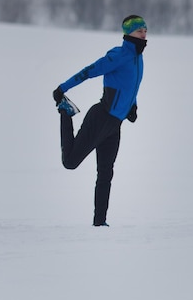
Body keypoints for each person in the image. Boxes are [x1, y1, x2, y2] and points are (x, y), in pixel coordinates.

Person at [52, 15, 147, 227]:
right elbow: (89, 71)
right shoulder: (118, 55)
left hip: (114, 125)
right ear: (128, 33)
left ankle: (100, 223)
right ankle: (66, 112)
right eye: (139, 30)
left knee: (105, 174)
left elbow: (131, 87)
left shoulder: (138, 59)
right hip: (101, 117)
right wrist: (62, 89)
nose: (144, 34)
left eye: (145, 30)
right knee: (70, 162)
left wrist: (133, 106)